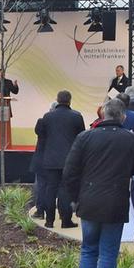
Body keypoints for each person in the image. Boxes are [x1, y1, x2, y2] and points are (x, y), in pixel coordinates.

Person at [63, 97, 134, 268]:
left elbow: (70, 172)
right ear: (123, 117)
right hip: (115, 201)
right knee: (108, 253)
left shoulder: (85, 137)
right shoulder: (131, 140)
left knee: (89, 250)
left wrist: (75, 198)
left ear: (102, 114)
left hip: (88, 201)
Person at [31, 91, 84, 227]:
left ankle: (49, 221)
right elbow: (81, 138)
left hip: (50, 160)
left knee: (50, 189)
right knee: (65, 190)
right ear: (70, 101)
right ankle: (66, 221)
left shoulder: (47, 117)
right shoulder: (77, 117)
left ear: (57, 100)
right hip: (69, 160)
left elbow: (42, 136)